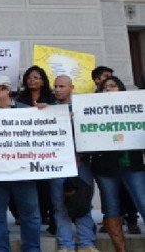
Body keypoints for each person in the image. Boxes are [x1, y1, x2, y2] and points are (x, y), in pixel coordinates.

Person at [0, 75, 42, 252]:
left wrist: (45, 112)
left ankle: (32, 248)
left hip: (23, 172)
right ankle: (1, 248)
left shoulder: (27, 111)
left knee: (30, 215)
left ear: (7, 90)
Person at [91, 76, 145, 252]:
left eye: (113, 86)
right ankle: (120, 249)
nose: (109, 89)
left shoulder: (134, 108)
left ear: (121, 89)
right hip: (105, 167)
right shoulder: (90, 110)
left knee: (143, 202)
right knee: (111, 206)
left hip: (132, 164)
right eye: (105, 87)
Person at [49, 75, 99, 252]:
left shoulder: (83, 109)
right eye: (55, 86)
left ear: (71, 87)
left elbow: (93, 135)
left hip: (81, 164)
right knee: (60, 204)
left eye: (62, 86)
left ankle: (86, 243)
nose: (57, 89)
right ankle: (66, 245)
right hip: (58, 165)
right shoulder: (48, 111)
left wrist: (82, 152)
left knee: (83, 202)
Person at [15, 66, 54, 227]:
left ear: (43, 81)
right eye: (29, 77)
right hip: (24, 148)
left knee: (46, 184)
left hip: (45, 148)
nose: (32, 80)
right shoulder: (19, 100)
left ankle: (47, 214)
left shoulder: (51, 99)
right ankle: (27, 214)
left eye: (36, 77)